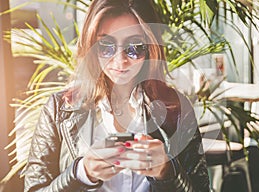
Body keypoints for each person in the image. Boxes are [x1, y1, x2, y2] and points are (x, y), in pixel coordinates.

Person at [23, 0, 210, 191]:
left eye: (135, 47)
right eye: (106, 45)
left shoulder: (176, 109)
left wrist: (167, 172)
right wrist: (81, 173)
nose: (120, 60)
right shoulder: (59, 108)